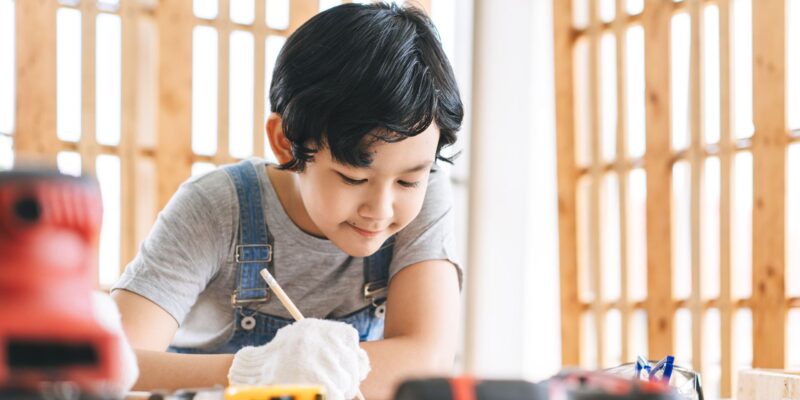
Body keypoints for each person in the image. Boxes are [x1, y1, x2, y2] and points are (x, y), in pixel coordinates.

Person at [111, 3, 464, 399]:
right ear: (285, 141)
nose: (381, 209)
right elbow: (113, 362)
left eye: (408, 180)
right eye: (354, 177)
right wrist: (255, 371)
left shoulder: (427, 191)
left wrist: (298, 375)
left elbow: (425, 362)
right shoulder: (216, 207)